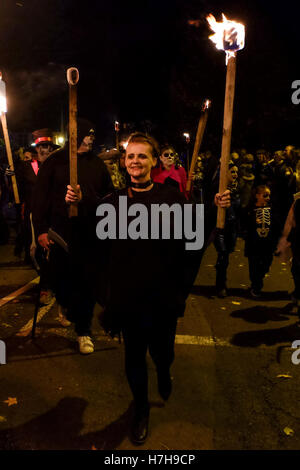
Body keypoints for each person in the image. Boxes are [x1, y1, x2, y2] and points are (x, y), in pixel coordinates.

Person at [66, 132, 230, 445]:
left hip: (162, 296)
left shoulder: (170, 197)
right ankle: (141, 409)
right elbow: (89, 231)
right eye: (131, 156)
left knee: (162, 352)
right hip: (128, 297)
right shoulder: (114, 201)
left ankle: (165, 370)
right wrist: (75, 204)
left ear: (153, 161)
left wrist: (213, 207)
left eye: (142, 156)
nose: (136, 161)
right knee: (134, 356)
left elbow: (192, 229)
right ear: (124, 162)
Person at [33, 119, 113, 351]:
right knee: (62, 282)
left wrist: (86, 199)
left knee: (87, 284)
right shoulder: (54, 162)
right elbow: (40, 198)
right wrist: (40, 230)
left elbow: (108, 197)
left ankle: (83, 331)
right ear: (74, 135)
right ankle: (65, 302)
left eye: (92, 134)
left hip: (89, 233)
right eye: (87, 134)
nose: (91, 138)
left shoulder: (97, 164)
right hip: (59, 233)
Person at [244, 185, 279, 298]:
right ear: (257, 196)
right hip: (254, 245)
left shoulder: (272, 209)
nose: (268, 198)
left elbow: (276, 226)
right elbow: (245, 226)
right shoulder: (250, 210)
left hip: (267, 245)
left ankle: (258, 281)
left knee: (265, 265)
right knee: (254, 266)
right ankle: (256, 286)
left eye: (269, 195)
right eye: (265, 195)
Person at [214, 161, 241, 297]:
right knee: (223, 254)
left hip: (232, 227)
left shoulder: (238, 189)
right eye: (232, 172)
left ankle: (221, 278)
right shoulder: (218, 188)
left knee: (226, 255)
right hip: (220, 227)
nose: (235, 174)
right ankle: (221, 285)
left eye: (236, 172)